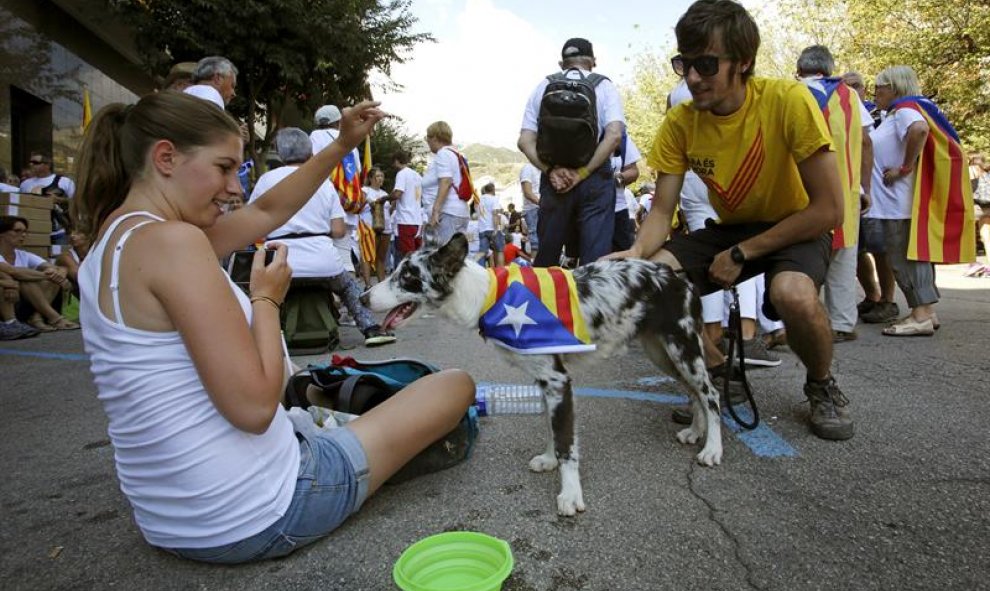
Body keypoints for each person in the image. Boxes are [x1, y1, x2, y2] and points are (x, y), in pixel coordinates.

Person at [72, 92, 474, 563]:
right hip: (262, 511)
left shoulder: (110, 245)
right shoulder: (175, 243)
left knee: (341, 401)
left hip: (169, 522)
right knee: (453, 386)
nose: (235, 187)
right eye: (223, 168)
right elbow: (256, 408)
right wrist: (266, 300)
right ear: (165, 158)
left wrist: (341, 144)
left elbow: (266, 213)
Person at [610, 0, 853, 440]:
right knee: (648, 285)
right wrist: (636, 253)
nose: (693, 77)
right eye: (684, 63)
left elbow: (828, 210)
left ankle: (821, 384)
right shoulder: (681, 121)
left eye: (706, 64)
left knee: (793, 295)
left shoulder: (789, 101)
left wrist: (744, 253)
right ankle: (724, 377)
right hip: (734, 228)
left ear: (743, 62)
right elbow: (662, 209)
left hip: (795, 223)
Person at [248, 129, 395, 347]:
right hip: (323, 263)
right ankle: (371, 329)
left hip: (281, 263)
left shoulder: (266, 180)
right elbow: (338, 230)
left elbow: (252, 223)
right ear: (309, 153)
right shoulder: (323, 183)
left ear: (279, 153)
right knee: (347, 287)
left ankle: (258, 336)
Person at [869, 65, 975, 336]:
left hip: (898, 202)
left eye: (879, 86)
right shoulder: (908, 108)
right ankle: (926, 312)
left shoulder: (905, 110)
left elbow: (919, 130)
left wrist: (904, 168)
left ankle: (919, 315)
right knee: (914, 256)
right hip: (901, 201)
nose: (875, 92)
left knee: (902, 258)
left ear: (894, 88)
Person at [518, 37, 626, 267]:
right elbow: (614, 135)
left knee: (547, 255)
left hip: (555, 180)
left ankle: (542, 300)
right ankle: (588, 302)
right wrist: (583, 173)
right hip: (594, 178)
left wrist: (551, 171)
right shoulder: (604, 86)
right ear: (593, 61)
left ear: (562, 63)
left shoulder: (543, 86)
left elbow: (524, 141)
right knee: (594, 262)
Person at [795, 46, 874, 343]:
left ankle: (802, 320)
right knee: (843, 255)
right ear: (828, 69)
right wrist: (865, 187)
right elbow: (866, 142)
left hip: (803, 190)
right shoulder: (849, 95)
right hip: (847, 188)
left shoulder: (792, 92)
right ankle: (841, 323)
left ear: (799, 69)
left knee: (803, 255)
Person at [844, 71, 900, 325]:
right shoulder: (841, 111)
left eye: (856, 85)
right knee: (855, 250)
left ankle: (888, 301)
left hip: (876, 193)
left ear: (864, 88)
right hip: (848, 189)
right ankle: (872, 295)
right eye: (846, 86)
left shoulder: (880, 115)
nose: (852, 90)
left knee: (879, 248)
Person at [311, 105, 367, 286]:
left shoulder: (315, 137)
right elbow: (357, 173)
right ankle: (350, 298)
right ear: (338, 121)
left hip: (325, 202)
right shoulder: (350, 142)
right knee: (344, 253)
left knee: (324, 251)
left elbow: (311, 167)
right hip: (348, 204)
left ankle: (331, 299)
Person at [0, 215, 77, 332]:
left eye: (25, 231)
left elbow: (56, 268)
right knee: (26, 280)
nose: (23, 235)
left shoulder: (23, 254)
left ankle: (37, 317)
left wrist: (59, 272)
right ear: (2, 233)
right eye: (17, 231)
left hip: (27, 300)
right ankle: (55, 318)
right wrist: (49, 275)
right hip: (7, 298)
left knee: (50, 278)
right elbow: (13, 271)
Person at [422, 121, 470, 245]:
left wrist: (435, 211)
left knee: (443, 258)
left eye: (428, 137)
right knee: (456, 258)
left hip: (447, 214)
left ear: (436, 138)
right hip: (460, 212)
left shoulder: (443, 154)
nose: (427, 141)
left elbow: (446, 181)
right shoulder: (458, 155)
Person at [19, 151, 76, 245]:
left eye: (35, 162)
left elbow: (77, 202)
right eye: (30, 162)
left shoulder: (64, 182)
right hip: (34, 231)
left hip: (60, 231)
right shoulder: (25, 184)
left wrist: (59, 200)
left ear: (47, 165)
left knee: (60, 257)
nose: (31, 164)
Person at [388, 149, 423, 259]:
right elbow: (417, 196)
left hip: (405, 219)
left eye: (393, 162)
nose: (393, 165)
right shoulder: (417, 175)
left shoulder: (402, 174)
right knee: (416, 254)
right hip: (417, 221)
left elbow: (397, 194)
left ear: (397, 161)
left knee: (407, 255)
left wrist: (384, 198)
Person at [612, 134, 641, 252]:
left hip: (617, 211)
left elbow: (634, 171)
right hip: (584, 209)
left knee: (621, 257)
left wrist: (613, 180)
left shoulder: (621, 137)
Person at [361, 167, 391, 282]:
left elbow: (389, 210)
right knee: (368, 257)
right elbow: (361, 206)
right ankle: (368, 284)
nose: (380, 178)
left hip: (386, 228)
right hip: (369, 227)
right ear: (370, 178)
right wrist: (371, 202)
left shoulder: (385, 193)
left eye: (382, 176)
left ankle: (381, 284)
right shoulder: (365, 190)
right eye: (377, 176)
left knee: (381, 258)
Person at [476, 182, 504, 267]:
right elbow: (495, 214)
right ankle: (500, 272)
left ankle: (480, 271)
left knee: (482, 253)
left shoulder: (479, 200)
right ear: (493, 190)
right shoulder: (494, 199)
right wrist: (496, 229)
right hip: (493, 228)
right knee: (499, 250)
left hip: (482, 229)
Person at [519, 162, 541, 255]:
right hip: (533, 208)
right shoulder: (528, 168)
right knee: (535, 241)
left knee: (542, 241)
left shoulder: (542, 169)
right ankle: (535, 266)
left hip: (540, 207)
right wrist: (543, 204)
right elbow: (527, 192)